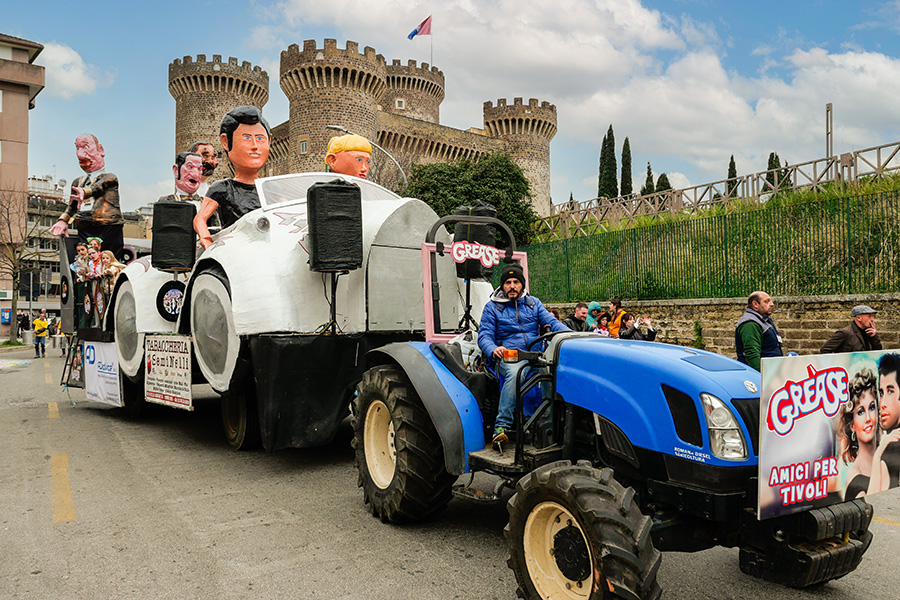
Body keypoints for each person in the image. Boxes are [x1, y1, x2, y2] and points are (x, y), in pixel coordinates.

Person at [477, 264, 569, 446]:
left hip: (536, 355)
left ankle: (547, 425)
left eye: (516, 282)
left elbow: (552, 322)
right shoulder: (492, 307)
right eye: (508, 282)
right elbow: (484, 335)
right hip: (511, 356)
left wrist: (572, 336)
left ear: (522, 284)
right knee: (514, 374)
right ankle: (500, 427)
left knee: (556, 374)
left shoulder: (534, 303)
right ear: (502, 286)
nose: (512, 286)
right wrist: (493, 348)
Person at [195, 106, 271, 249]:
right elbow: (200, 218)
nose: (255, 146)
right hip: (234, 251)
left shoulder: (272, 188)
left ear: (269, 141)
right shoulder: (222, 188)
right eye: (247, 138)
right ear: (225, 142)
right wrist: (207, 241)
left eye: (260, 138)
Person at [49, 134, 124, 259]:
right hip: (85, 227)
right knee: (86, 260)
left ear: (101, 150)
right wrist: (63, 220)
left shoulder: (110, 177)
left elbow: (98, 187)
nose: (80, 154)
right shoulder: (77, 181)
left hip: (107, 227)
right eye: (77, 148)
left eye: (86, 147)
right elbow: (72, 206)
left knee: (107, 259)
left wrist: (85, 192)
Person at [838, 368, 879, 499]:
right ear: (853, 425)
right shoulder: (855, 476)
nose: (868, 418)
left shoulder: (886, 456)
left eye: (872, 407)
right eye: (861, 411)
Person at [869, 353, 900, 494]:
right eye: (881, 393)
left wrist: (878, 455)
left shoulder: (891, 450)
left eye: (890, 391)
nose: (882, 404)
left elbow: (875, 494)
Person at [735, 291, 783, 371]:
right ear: (755, 304)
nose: (772, 304)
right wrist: (762, 378)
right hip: (761, 376)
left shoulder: (763, 320)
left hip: (772, 372)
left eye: (771, 301)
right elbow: (752, 355)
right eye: (766, 301)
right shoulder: (750, 324)